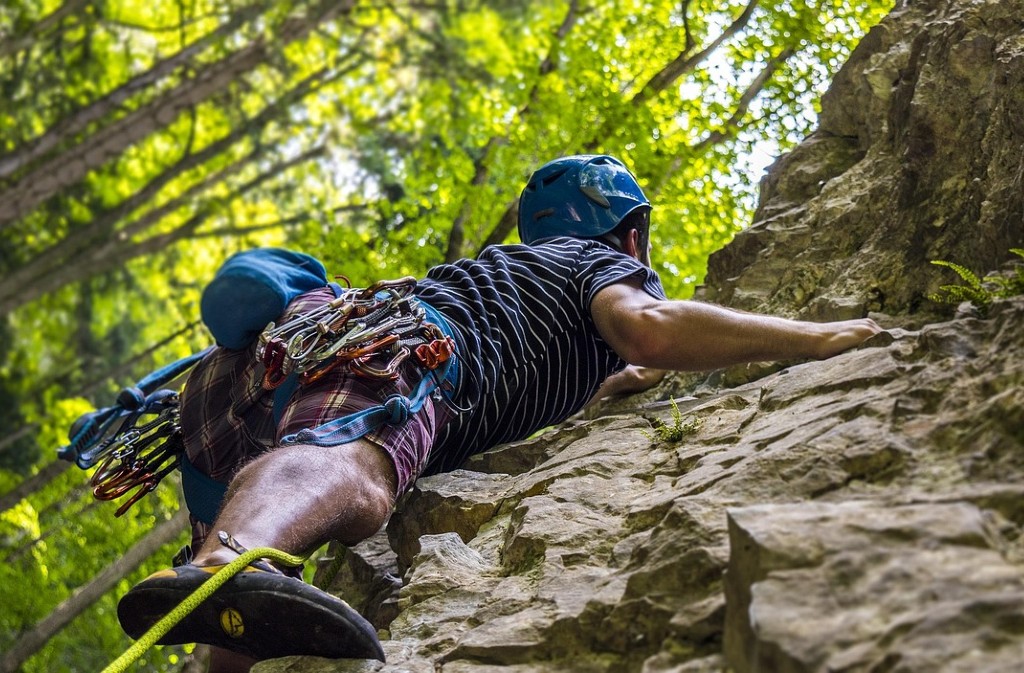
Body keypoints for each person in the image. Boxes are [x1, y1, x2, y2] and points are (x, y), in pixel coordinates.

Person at [117, 155, 881, 672]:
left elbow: (604, 372)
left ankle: (219, 590)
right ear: (632, 235)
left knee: (235, 608)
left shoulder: (517, 282)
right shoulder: (598, 264)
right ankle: (225, 561)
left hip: (229, 393)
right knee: (360, 467)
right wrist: (819, 338)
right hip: (399, 346)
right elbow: (649, 327)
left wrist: (618, 383)